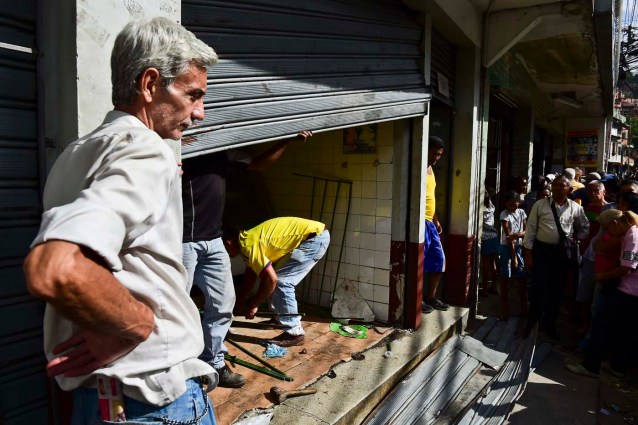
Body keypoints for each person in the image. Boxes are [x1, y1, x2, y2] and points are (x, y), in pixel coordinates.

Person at [22, 18, 219, 424]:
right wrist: (139, 324)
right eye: (192, 95)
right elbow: (57, 268)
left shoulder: (77, 154)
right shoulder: (145, 152)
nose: (199, 113)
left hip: (99, 405)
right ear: (149, 85)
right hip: (156, 403)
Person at [182, 130, 312, 388]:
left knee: (222, 303)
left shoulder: (221, 151)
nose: (197, 116)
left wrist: (287, 138)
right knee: (176, 306)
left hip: (214, 238)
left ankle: (213, 362)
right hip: (180, 240)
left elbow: (259, 164)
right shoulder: (176, 147)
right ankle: (180, 367)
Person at [223, 217, 330, 347]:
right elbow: (251, 274)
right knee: (274, 278)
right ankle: (279, 319)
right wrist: (240, 302)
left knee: (282, 282)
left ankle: (294, 333)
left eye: (223, 249)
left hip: (314, 238)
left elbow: (271, 280)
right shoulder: (245, 241)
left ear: (228, 243)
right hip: (311, 236)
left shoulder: (248, 246)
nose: (225, 253)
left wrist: (253, 304)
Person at [567, 210, 638, 378]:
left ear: (615, 224)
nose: (608, 234)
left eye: (608, 229)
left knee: (601, 324)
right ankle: (617, 366)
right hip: (630, 291)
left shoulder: (632, 236)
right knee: (622, 330)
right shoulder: (630, 232)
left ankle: (591, 366)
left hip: (628, 291)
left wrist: (603, 276)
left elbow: (626, 268)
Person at [523, 175, 589, 340]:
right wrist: (529, 255)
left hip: (562, 255)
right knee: (538, 288)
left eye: (563, 185)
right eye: (556, 185)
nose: (559, 188)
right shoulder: (540, 205)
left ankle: (549, 324)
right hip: (542, 252)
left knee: (556, 291)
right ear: (552, 188)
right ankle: (532, 321)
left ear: (569, 189)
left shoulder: (575, 208)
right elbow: (530, 230)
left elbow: (584, 228)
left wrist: (574, 239)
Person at [422, 136, 450, 313]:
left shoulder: (431, 170)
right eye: (434, 153)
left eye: (439, 155)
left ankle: (430, 297)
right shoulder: (419, 167)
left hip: (430, 222)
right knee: (420, 263)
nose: (436, 157)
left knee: (439, 261)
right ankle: (417, 300)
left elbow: (430, 198)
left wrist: (436, 219)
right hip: (420, 222)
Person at [576, 180, 608, 336]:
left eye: (596, 191)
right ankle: (584, 324)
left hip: (603, 259)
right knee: (584, 294)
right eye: (590, 191)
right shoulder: (587, 208)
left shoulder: (610, 211)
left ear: (604, 192)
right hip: (586, 256)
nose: (593, 194)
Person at [498, 191, 528, 318]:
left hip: (519, 247)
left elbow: (527, 231)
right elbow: (509, 237)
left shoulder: (521, 213)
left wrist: (517, 235)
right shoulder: (504, 215)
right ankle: (505, 307)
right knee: (505, 278)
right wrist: (514, 256)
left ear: (519, 203)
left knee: (521, 278)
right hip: (506, 248)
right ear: (506, 204)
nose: (512, 207)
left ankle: (524, 307)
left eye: (514, 205)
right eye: (509, 205)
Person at [480, 186, 499, 296]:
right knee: (493, 263)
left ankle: (485, 289)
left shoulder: (481, 210)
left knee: (486, 264)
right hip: (494, 236)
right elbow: (488, 196)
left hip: (485, 238)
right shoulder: (491, 207)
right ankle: (494, 286)